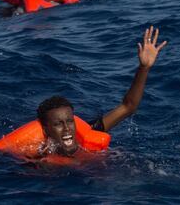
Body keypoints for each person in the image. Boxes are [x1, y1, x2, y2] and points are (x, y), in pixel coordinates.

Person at [36, 26, 167, 157]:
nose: (67, 129)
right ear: (46, 129)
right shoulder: (39, 161)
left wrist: (144, 68)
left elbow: (128, 107)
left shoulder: (90, 131)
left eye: (70, 121)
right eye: (58, 124)